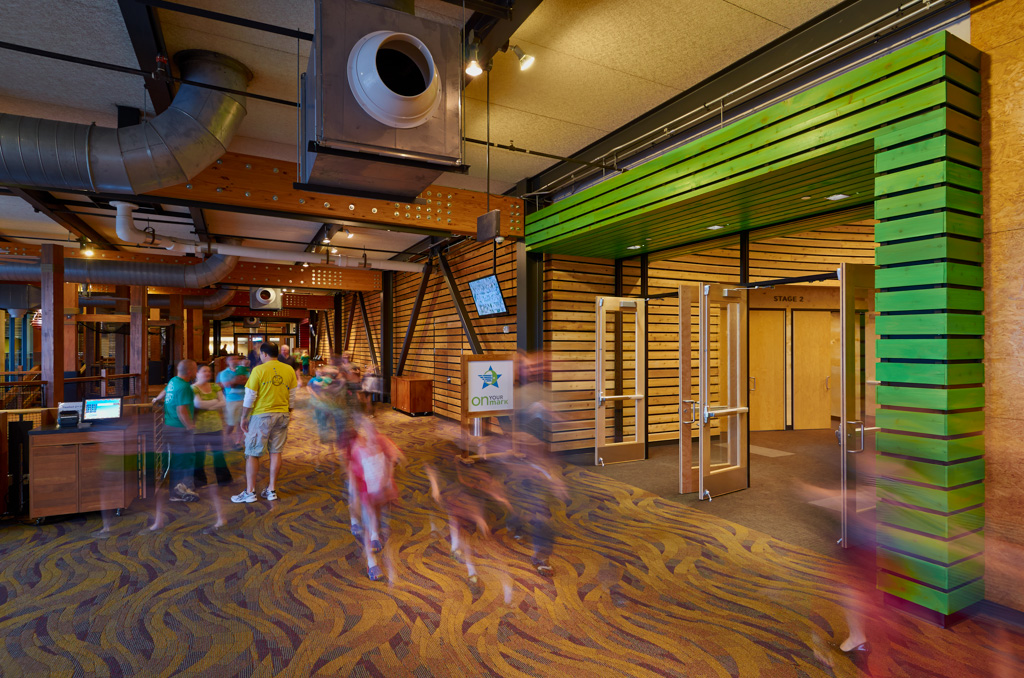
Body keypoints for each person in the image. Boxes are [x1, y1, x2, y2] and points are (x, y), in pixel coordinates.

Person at [232, 342, 298, 504]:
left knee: (252, 453)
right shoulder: (289, 369)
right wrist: (288, 412)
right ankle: (271, 490)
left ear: (264, 354)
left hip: (261, 416)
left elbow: (250, 396)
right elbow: (292, 395)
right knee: (276, 452)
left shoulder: (258, 370)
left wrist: (244, 417)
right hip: (282, 414)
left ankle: (250, 492)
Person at [348, 416, 405, 580]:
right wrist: (355, 496)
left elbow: (394, 458)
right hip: (366, 493)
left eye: (373, 431)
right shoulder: (358, 450)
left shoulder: (382, 441)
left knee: (376, 516)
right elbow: (353, 475)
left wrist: (388, 480)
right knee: (368, 521)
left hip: (381, 491)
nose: (371, 437)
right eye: (367, 433)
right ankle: (371, 562)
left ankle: (375, 535)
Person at [149, 360, 199, 530]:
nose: (196, 372)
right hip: (180, 429)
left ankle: (177, 490)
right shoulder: (185, 387)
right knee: (184, 459)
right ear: (190, 371)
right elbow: (182, 410)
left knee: (177, 459)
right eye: (196, 369)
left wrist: (156, 399)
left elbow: (164, 391)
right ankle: (180, 491)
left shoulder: (173, 381)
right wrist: (190, 427)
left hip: (168, 426)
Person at [192, 365, 230, 530]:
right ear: (197, 373)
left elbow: (223, 403)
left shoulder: (215, 386)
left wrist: (208, 404)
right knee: (199, 455)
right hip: (199, 427)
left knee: (218, 454)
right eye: (204, 371)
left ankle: (223, 478)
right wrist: (214, 403)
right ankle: (200, 481)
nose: (207, 373)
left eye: (209, 371)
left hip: (215, 426)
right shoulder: (193, 388)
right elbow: (197, 404)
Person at [216, 355, 249, 450]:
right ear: (227, 361)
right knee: (231, 423)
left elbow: (248, 382)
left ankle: (238, 442)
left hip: (244, 400)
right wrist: (238, 379)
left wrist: (237, 380)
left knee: (241, 422)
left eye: (237, 359)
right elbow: (227, 385)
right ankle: (226, 438)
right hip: (231, 401)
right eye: (232, 359)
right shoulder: (224, 373)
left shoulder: (245, 370)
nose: (235, 361)